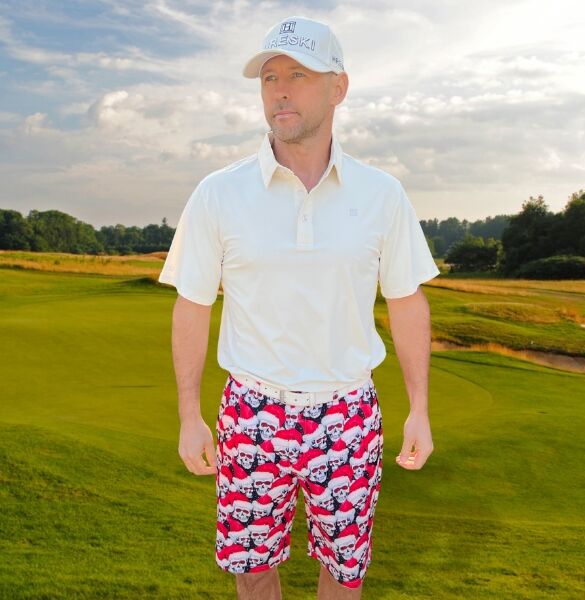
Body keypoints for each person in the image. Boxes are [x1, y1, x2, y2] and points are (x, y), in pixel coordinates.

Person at [158, 14, 440, 600]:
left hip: (348, 412)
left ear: (338, 87)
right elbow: (191, 305)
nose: (280, 90)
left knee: (344, 569)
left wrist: (420, 408)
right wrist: (188, 415)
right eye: (269, 77)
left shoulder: (382, 194)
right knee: (252, 566)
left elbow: (407, 300)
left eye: (298, 75)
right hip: (252, 410)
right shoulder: (218, 192)